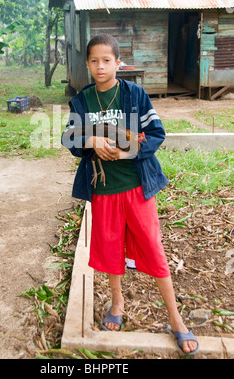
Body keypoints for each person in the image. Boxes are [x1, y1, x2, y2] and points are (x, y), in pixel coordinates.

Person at [62, 34, 199, 356]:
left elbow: (156, 134)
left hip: (137, 188)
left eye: (107, 60)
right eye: (94, 60)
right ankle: (117, 302)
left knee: (153, 248)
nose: (100, 66)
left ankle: (176, 319)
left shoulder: (135, 95)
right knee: (110, 251)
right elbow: (69, 138)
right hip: (104, 191)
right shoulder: (82, 101)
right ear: (87, 64)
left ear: (118, 63)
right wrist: (91, 142)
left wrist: (127, 149)